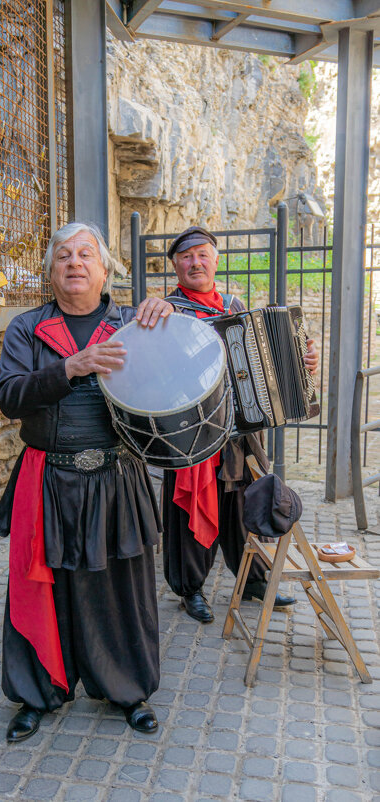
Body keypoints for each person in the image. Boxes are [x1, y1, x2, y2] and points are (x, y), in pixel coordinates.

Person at [0, 222, 174, 743]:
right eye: (63, 255)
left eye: (86, 254)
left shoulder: (134, 323)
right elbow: (8, 397)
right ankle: (37, 692)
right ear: (50, 271)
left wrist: (169, 316)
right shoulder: (26, 329)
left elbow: (181, 370)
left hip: (117, 475)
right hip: (47, 476)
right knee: (41, 587)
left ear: (105, 268)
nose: (75, 262)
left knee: (120, 587)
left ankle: (128, 690)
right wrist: (70, 367)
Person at [162, 226, 319, 624]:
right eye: (186, 256)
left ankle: (252, 579)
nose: (195, 262)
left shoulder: (234, 304)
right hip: (192, 430)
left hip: (241, 427)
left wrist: (303, 363)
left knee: (245, 502)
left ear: (215, 260)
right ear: (176, 266)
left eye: (202, 254)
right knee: (190, 509)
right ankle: (190, 588)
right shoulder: (166, 312)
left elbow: (261, 361)